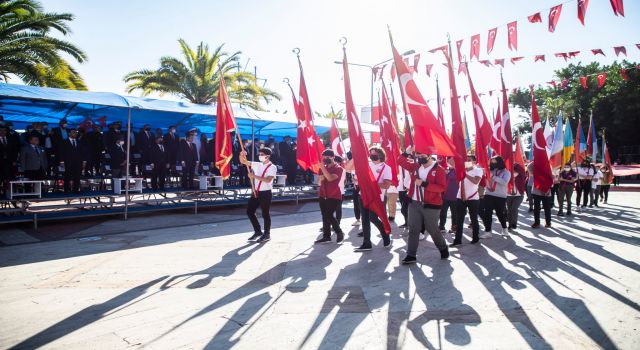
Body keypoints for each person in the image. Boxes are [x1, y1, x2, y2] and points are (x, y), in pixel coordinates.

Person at [398, 147, 449, 264]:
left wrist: (424, 184)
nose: (419, 157)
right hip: (414, 202)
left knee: (432, 229)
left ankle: (443, 247)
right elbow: (400, 161)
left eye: (422, 155)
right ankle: (411, 255)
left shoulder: (439, 169)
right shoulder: (416, 166)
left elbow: (442, 187)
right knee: (413, 229)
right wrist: (407, 151)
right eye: (417, 155)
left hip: (431, 205)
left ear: (430, 155)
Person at [350, 146, 392, 252]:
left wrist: (372, 184)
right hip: (363, 195)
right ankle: (366, 243)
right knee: (364, 219)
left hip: (377, 197)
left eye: (374, 154)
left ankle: (385, 234)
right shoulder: (367, 166)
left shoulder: (386, 168)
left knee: (372, 218)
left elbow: (386, 185)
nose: (372, 156)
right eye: (371, 154)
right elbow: (349, 169)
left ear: (380, 155)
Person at [240, 148, 277, 243]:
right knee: (249, 211)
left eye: (262, 154)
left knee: (265, 213)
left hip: (266, 192)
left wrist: (254, 176)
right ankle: (258, 231)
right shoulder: (257, 164)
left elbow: (268, 180)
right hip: (256, 191)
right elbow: (243, 161)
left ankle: (267, 234)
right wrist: (241, 154)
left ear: (267, 156)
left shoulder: (272, 167)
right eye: (259, 154)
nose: (259, 155)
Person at [451, 155, 483, 247]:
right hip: (460, 197)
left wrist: (465, 174)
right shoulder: (461, 169)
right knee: (459, 219)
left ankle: (475, 238)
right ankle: (457, 240)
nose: (467, 162)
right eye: (466, 160)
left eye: (469, 160)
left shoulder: (478, 170)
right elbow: (451, 162)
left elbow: (476, 181)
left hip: (473, 199)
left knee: (473, 219)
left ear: (474, 161)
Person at [315, 149, 345, 244]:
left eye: (327, 157)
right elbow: (319, 182)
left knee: (328, 214)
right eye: (324, 157)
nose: (325, 159)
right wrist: (320, 179)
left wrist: (323, 169)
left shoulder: (338, 168)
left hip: (334, 195)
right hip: (323, 195)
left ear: (333, 157)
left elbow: (330, 178)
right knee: (324, 216)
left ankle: (339, 232)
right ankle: (326, 236)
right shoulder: (322, 168)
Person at [481, 156, 511, 238]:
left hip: (500, 196)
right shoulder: (490, 170)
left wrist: (493, 177)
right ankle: (488, 231)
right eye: (491, 162)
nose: (492, 164)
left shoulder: (506, 172)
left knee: (500, 213)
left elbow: (504, 182)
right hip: (489, 194)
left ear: (499, 162)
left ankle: (505, 229)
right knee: (487, 213)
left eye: (494, 162)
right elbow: (486, 180)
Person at [60, 129, 87, 194]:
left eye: (76, 132)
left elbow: (83, 152)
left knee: (77, 176)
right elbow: (61, 152)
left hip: (78, 162)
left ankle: (76, 190)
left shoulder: (79, 141)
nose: (75, 133)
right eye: (73, 132)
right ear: (69, 133)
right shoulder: (64, 142)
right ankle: (66, 190)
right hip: (68, 162)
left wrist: (84, 161)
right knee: (67, 176)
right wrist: (62, 161)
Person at [439, 157, 458, 234]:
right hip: (445, 195)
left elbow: (454, 177)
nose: (450, 162)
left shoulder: (458, 170)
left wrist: (447, 172)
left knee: (455, 213)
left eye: (452, 161)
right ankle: (441, 226)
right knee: (443, 212)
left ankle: (454, 227)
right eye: (448, 161)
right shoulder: (446, 169)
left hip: (455, 196)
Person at [530, 162, 552, 228]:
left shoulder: (548, 166)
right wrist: (536, 160)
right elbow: (528, 167)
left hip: (546, 191)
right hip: (537, 191)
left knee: (547, 208)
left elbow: (551, 179)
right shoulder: (535, 167)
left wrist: (548, 189)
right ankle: (537, 222)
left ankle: (548, 222)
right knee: (536, 208)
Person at [0, 125, 19, 196]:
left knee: (9, 178)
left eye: (4, 130)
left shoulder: (11, 139)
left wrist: (14, 160)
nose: (2, 132)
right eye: (0, 130)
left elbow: (15, 150)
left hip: (9, 163)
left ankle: (9, 194)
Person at [506, 163, 526, 232]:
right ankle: (510, 224)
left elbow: (522, 170)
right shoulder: (508, 175)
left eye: (514, 169)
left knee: (514, 208)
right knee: (509, 210)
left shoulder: (521, 176)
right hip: (509, 195)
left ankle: (514, 223)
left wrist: (515, 165)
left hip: (519, 195)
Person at [346, 151, 361, 226]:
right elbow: (347, 169)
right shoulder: (352, 165)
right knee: (356, 203)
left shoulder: (363, 163)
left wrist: (357, 180)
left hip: (362, 187)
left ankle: (365, 220)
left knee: (363, 204)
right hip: (356, 187)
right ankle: (358, 219)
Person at [397, 163, 411, 229]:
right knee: (403, 209)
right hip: (401, 189)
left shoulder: (412, 165)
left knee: (405, 209)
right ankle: (406, 222)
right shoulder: (400, 166)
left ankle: (411, 223)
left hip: (409, 189)